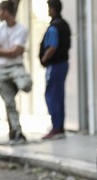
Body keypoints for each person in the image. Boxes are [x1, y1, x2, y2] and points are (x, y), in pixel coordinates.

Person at [0, 0, 32, 145]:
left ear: (6, 12)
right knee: (10, 104)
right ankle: (16, 132)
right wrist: (10, 52)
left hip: (16, 68)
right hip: (2, 70)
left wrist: (3, 51)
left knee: (26, 84)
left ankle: (14, 131)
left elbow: (17, 51)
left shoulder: (22, 29)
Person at [39, 0, 70, 140]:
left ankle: (56, 128)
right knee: (58, 95)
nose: (47, 10)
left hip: (55, 66)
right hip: (62, 64)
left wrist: (44, 59)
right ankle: (59, 127)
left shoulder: (54, 27)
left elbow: (52, 47)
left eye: (48, 8)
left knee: (52, 96)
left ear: (53, 9)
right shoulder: (64, 24)